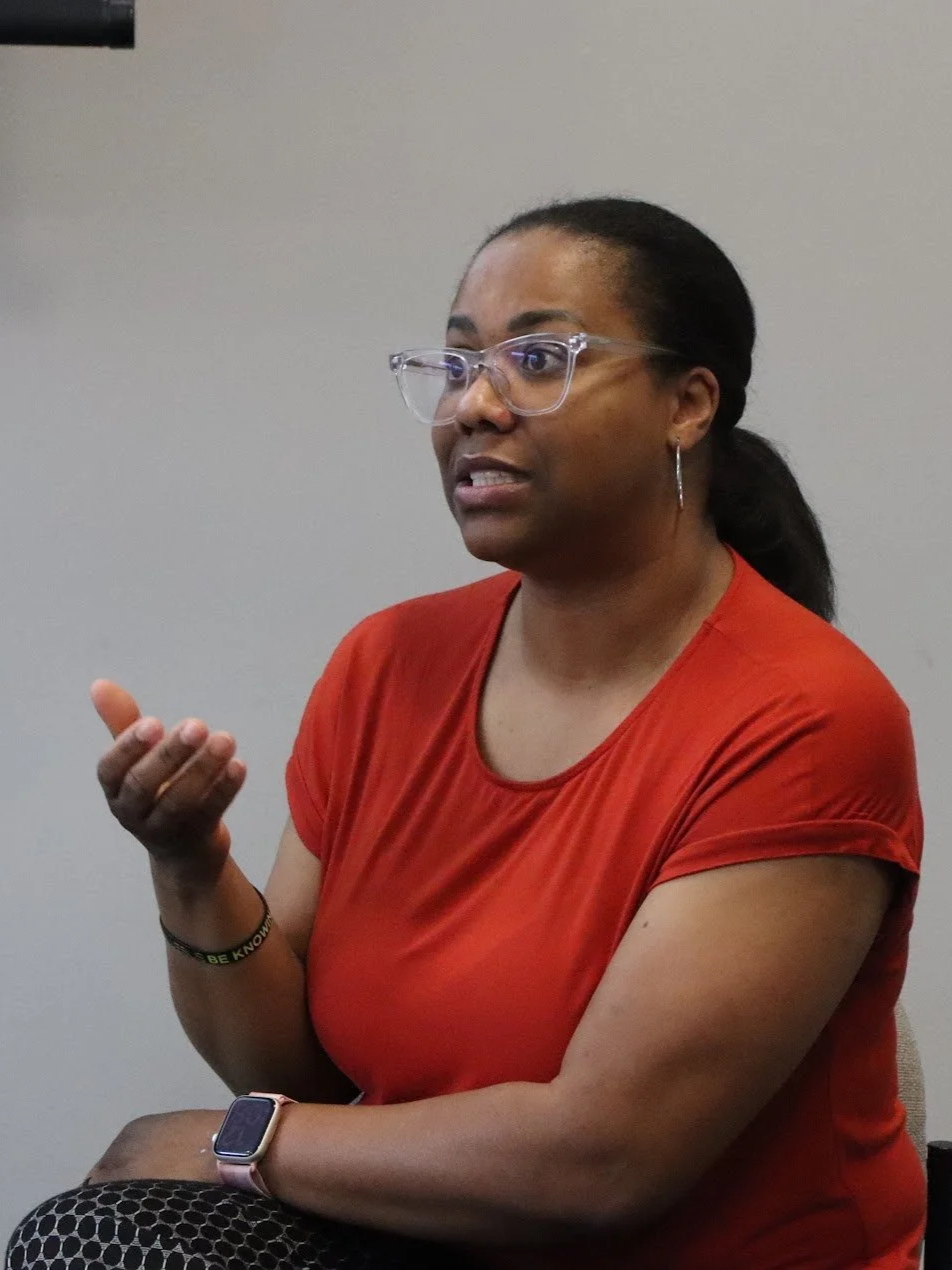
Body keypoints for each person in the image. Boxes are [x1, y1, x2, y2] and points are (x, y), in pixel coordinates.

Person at [6, 198, 925, 1270]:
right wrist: (188, 866)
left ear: (688, 404)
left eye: (537, 359)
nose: (474, 406)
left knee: (103, 1236)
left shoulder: (805, 718)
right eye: (455, 367)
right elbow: (295, 1069)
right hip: (441, 1241)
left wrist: (239, 1143)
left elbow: (602, 1162)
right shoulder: (388, 665)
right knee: (107, 1237)